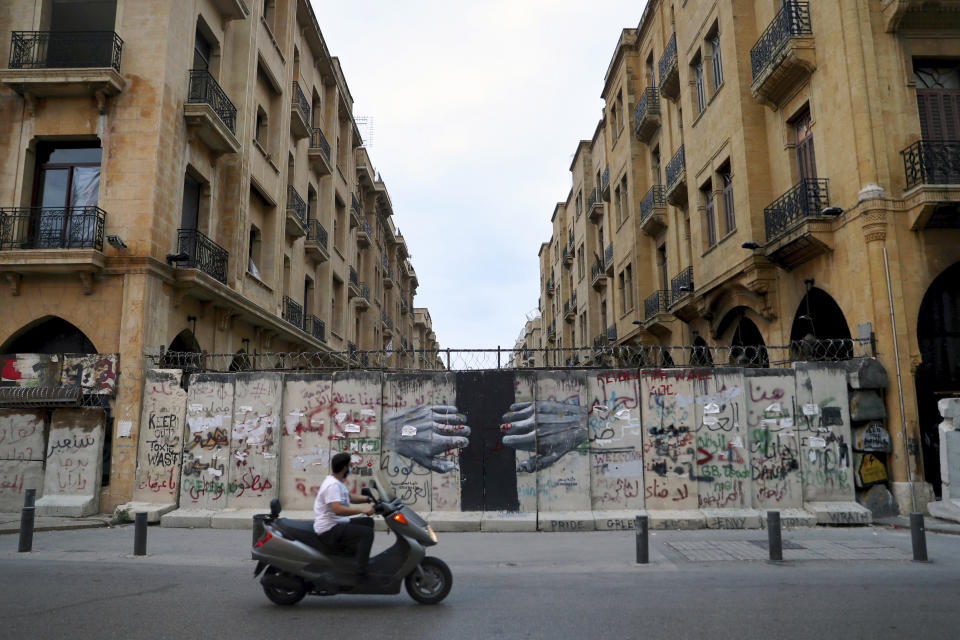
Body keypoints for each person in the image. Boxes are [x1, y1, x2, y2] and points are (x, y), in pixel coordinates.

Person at [314, 452, 375, 581]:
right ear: (344, 468)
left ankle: (351, 559)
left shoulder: (336, 481)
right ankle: (360, 573)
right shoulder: (333, 485)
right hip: (330, 529)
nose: (352, 467)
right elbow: (337, 509)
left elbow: (349, 497)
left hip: (336, 524)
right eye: (350, 465)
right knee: (367, 533)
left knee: (367, 522)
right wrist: (362, 510)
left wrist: (369, 499)